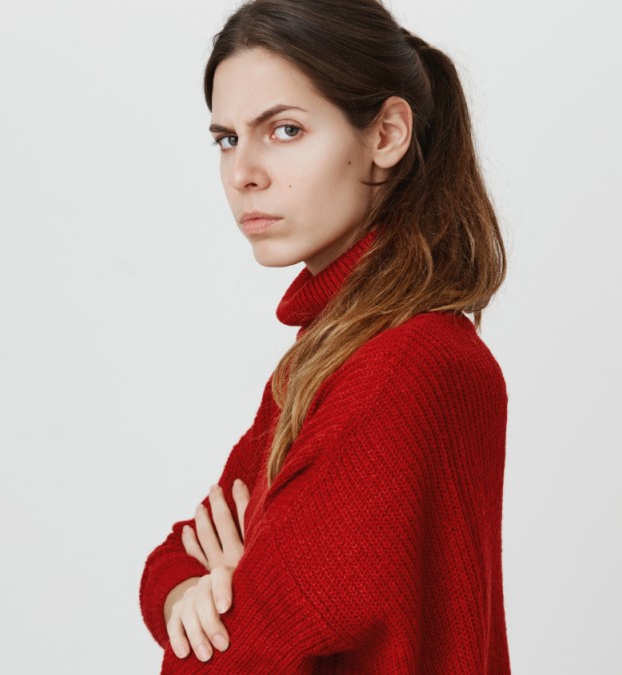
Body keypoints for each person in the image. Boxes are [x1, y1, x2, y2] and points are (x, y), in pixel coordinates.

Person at [136, 0, 511, 672]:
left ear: (387, 134)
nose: (243, 173)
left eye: (284, 130)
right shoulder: (331, 355)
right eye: (227, 139)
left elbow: (226, 659)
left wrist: (229, 599)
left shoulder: (403, 367)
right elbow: (184, 549)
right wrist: (188, 593)